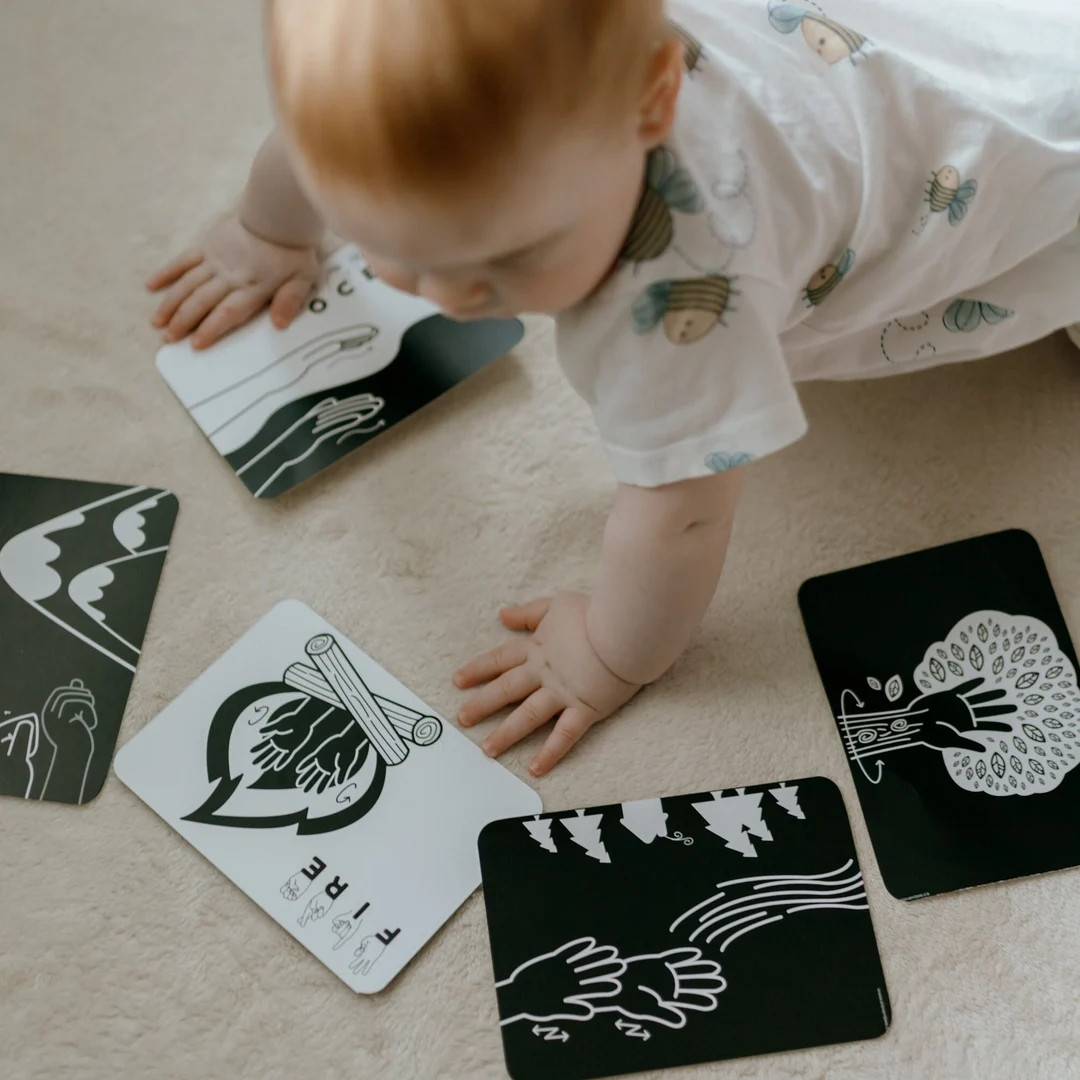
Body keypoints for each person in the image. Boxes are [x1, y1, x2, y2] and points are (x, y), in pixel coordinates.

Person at [147, 0, 1080, 776]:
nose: (449, 296)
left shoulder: (674, 305)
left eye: (510, 258)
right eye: (389, 242)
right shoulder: (484, 87)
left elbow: (684, 518)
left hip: (1040, 158)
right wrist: (271, 228)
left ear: (652, 99)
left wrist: (609, 652)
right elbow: (313, 144)